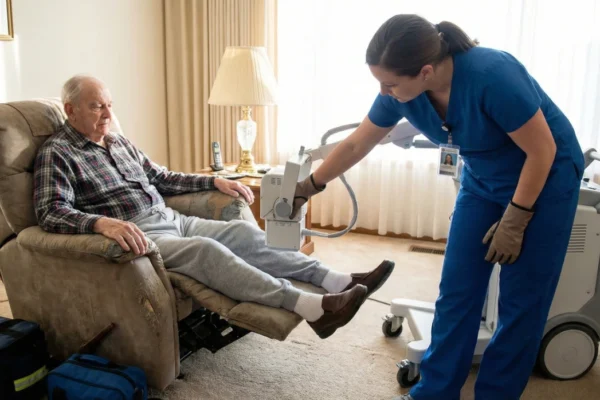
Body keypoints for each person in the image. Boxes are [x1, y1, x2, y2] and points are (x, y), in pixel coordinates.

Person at [292, 15, 584, 400]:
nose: (384, 91)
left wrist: (516, 218)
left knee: (521, 301)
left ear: (426, 71)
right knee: (458, 290)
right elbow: (355, 145)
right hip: (483, 180)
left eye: (391, 83)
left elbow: (542, 150)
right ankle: (434, 391)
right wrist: (308, 187)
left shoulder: (492, 74)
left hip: (545, 179)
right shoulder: (403, 92)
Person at [33, 75, 395, 340]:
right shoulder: (58, 152)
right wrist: (100, 224)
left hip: (172, 218)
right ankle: (312, 308)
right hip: (140, 234)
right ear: (70, 110)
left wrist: (213, 181)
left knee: (240, 233)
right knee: (205, 251)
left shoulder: (118, 142)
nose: (107, 114)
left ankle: (337, 280)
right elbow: (49, 211)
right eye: (97, 106)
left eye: (110, 105)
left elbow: (160, 176)